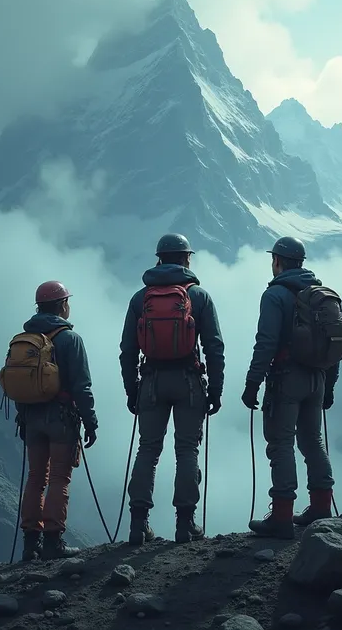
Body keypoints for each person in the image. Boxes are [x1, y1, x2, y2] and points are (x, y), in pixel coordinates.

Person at [119, 233, 225, 545]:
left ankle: (138, 524)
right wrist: (216, 391)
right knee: (187, 449)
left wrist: (131, 390)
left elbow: (127, 350)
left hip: (151, 381)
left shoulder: (140, 299)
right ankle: (185, 523)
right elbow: (214, 347)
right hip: (189, 382)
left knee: (148, 450)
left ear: (159, 259)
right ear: (186, 259)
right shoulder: (199, 296)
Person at [241, 237, 342, 539]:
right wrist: (329, 386)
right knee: (313, 441)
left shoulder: (275, 295)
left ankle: (282, 516)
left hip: (286, 378)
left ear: (278, 262)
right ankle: (321, 506)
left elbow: (266, 343)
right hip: (318, 378)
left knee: (281, 443)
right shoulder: (321, 294)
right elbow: (335, 343)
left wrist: (252, 383)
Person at [10, 281, 99, 561]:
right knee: (59, 478)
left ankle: (29, 544)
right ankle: (53, 542)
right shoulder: (70, 339)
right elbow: (82, 386)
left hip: (31, 417)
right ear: (62, 305)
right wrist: (91, 421)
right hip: (61, 419)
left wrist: (23, 417)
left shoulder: (23, 339)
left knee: (36, 478)